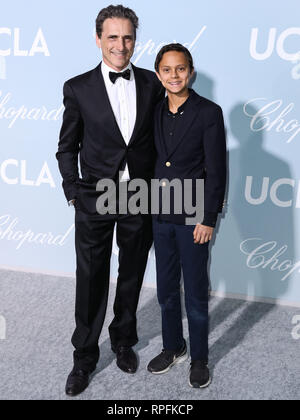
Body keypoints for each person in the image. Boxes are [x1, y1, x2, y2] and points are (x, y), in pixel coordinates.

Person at [56, 5, 164, 397]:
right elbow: (66, 147)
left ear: (135, 39)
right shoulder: (78, 87)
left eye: (128, 37)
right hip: (95, 194)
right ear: (99, 38)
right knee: (91, 277)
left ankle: (123, 339)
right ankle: (83, 356)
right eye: (113, 37)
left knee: (133, 270)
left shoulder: (154, 84)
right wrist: (73, 192)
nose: (121, 45)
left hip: (139, 192)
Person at [147, 44, 226, 388]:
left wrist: (208, 218)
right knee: (165, 289)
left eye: (180, 69)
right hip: (159, 214)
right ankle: (173, 346)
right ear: (158, 73)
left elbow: (217, 170)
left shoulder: (209, 112)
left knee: (194, 291)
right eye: (167, 69)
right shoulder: (154, 110)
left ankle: (199, 357)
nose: (174, 75)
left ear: (190, 72)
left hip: (194, 215)